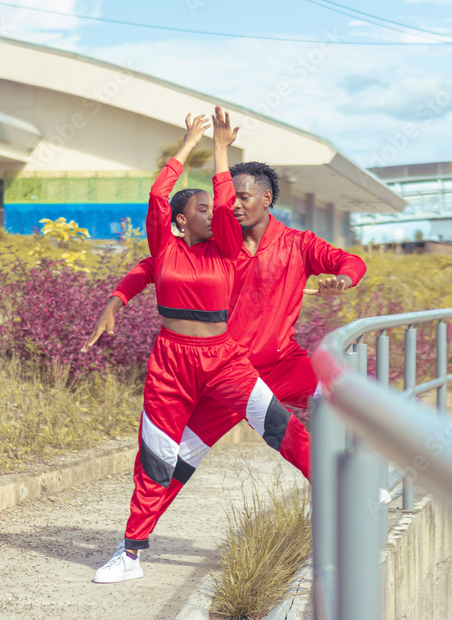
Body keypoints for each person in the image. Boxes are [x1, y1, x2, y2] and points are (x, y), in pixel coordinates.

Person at [91, 107, 311, 584]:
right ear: (181, 220)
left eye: (218, 207)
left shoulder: (228, 250)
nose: (218, 213)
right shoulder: (164, 250)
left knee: (280, 428)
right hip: (169, 363)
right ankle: (129, 555)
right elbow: (156, 193)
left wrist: (221, 150)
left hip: (223, 360)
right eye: (204, 209)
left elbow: (226, 197)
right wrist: (187, 142)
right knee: (154, 457)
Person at [83, 149, 367, 516]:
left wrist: (341, 281)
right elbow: (150, 267)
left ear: (266, 199)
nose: (232, 206)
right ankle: (132, 544)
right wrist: (116, 300)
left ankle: (359, 486)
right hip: (227, 375)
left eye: (242, 198)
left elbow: (351, 261)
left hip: (282, 363)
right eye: (227, 199)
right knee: (178, 460)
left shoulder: (298, 244)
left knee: (355, 400)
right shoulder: (213, 247)